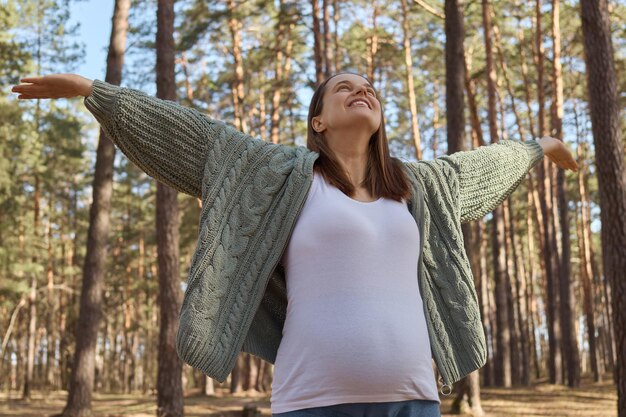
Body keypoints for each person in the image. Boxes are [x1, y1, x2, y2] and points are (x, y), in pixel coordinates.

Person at [12, 73, 577, 417]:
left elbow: (483, 165)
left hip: (413, 398)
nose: (363, 90)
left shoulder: (418, 187)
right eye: (344, 87)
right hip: (312, 400)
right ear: (319, 120)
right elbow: (196, 137)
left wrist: (539, 145)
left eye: (370, 88)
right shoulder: (281, 177)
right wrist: (95, 92)